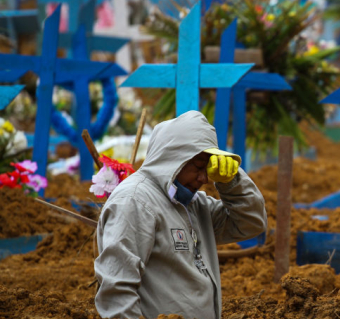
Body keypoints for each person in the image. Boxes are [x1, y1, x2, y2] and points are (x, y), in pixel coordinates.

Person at [94, 111, 267, 319]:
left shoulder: (194, 205)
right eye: (198, 166)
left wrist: (231, 181)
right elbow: (117, 290)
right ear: (173, 157)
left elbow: (250, 223)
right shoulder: (135, 201)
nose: (204, 178)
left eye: (209, 168)